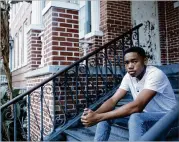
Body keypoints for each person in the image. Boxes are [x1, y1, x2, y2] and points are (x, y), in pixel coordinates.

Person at [81, 47, 177, 141]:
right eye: (127, 63)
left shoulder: (155, 74)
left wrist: (98, 117)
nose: (130, 66)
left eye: (134, 61)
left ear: (145, 61)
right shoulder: (128, 76)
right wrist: (94, 114)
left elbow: (137, 106)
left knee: (136, 117)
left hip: (169, 119)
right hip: (147, 116)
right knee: (106, 116)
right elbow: (113, 100)